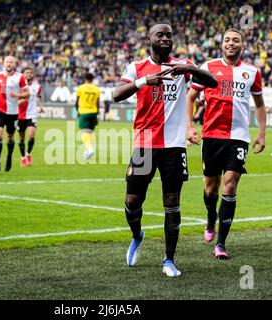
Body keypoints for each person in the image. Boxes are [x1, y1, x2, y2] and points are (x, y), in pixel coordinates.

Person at [113, 21, 217, 277]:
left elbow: (212, 82)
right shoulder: (136, 67)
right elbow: (117, 94)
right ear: (149, 38)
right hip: (145, 144)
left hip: (173, 147)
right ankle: (137, 236)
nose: (165, 38)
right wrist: (142, 82)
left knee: (172, 202)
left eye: (169, 35)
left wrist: (189, 68)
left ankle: (168, 260)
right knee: (132, 201)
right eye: (160, 34)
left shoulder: (181, 66)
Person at [186, 28, 267, 259]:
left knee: (229, 186)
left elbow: (260, 105)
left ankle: (220, 244)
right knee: (211, 189)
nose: (231, 43)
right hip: (211, 136)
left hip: (239, 138)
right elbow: (190, 96)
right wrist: (189, 127)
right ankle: (211, 218)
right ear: (222, 45)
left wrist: (261, 134)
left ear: (243, 45)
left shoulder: (251, 71)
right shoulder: (208, 68)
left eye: (236, 40)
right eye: (227, 40)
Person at [0, 56, 29, 173]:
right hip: (0, 110)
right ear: (4, 63)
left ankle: (9, 157)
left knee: (10, 137)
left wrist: (17, 96)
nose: (9, 64)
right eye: (7, 62)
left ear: (14, 64)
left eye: (11, 62)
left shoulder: (20, 77)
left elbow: (27, 93)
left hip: (13, 112)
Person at [17, 67, 44, 166]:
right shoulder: (18, 86)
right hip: (20, 116)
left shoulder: (37, 87)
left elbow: (40, 96)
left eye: (30, 73)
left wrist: (41, 106)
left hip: (32, 114)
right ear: (23, 75)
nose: (29, 74)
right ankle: (23, 157)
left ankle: (28, 154)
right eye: (27, 72)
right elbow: (12, 99)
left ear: (33, 75)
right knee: (21, 137)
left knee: (31, 135)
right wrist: (18, 102)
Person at [75, 72, 101, 159]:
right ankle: (87, 151)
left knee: (84, 131)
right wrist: (97, 116)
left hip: (84, 112)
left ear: (84, 79)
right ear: (92, 79)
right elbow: (97, 104)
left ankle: (89, 148)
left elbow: (76, 102)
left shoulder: (81, 88)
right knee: (89, 132)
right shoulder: (96, 89)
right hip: (93, 112)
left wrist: (77, 111)